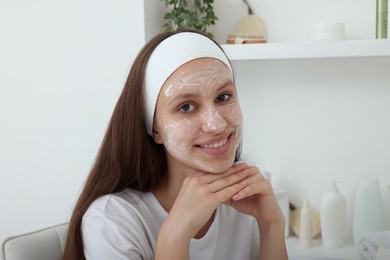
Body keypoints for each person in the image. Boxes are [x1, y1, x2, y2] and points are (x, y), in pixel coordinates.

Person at [63, 29, 288, 260]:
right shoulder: (111, 222)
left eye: (223, 97)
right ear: (155, 128)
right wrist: (175, 235)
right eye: (186, 107)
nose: (216, 125)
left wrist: (272, 224)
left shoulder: (244, 200)